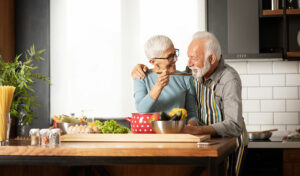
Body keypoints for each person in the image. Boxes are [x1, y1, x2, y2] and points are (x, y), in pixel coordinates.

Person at [131, 31, 248, 176]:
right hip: (204, 140)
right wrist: (140, 67)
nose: (188, 63)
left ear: (211, 59)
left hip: (229, 140)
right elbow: (142, 107)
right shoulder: (193, 72)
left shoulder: (229, 79)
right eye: (187, 57)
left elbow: (233, 125)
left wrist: (196, 129)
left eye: (194, 58)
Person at [133, 35, 197, 121]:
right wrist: (158, 86)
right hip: (151, 133)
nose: (175, 59)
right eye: (169, 56)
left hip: (179, 132)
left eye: (175, 54)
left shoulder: (185, 78)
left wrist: (191, 126)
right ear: (153, 61)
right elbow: (141, 110)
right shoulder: (141, 77)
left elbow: (192, 113)